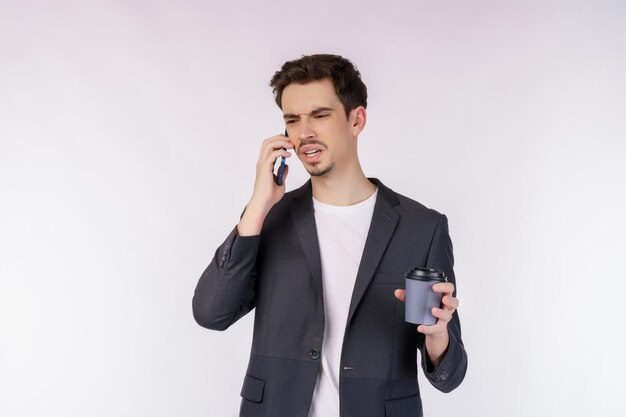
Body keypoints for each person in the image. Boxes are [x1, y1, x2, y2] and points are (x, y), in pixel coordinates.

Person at [193, 54, 467, 417]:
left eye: (320, 115)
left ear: (357, 119)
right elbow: (211, 314)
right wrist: (258, 205)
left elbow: (450, 377)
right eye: (292, 120)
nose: (303, 132)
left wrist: (437, 336)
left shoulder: (422, 228)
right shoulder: (269, 219)